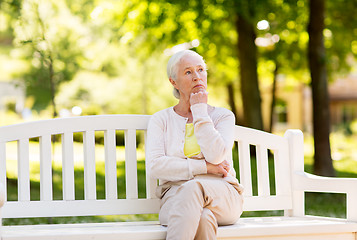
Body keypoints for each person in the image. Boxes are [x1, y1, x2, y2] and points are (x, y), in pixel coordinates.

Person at [147, 50, 244, 240]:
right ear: (173, 82)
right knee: (203, 218)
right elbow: (155, 166)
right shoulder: (161, 119)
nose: (197, 77)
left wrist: (199, 111)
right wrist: (205, 167)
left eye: (201, 70)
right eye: (188, 72)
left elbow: (217, 156)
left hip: (222, 196)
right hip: (175, 199)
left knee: (193, 187)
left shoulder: (223, 117)